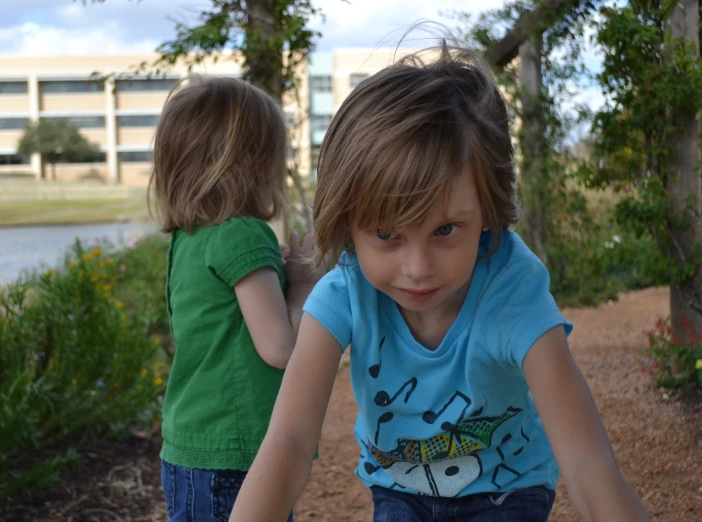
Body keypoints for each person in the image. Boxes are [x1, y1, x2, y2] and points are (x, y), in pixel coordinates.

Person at [230, 44, 650, 522]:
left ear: (488, 213)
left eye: (445, 230)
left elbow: (586, 462)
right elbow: (289, 440)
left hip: (507, 489)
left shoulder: (511, 290)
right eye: (387, 234)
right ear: (348, 225)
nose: (418, 267)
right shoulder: (344, 292)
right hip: (399, 487)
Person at [150, 76, 323, 522]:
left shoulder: (189, 239)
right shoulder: (244, 235)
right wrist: (303, 284)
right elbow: (281, 348)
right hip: (236, 451)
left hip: (192, 444)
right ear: (253, 161)